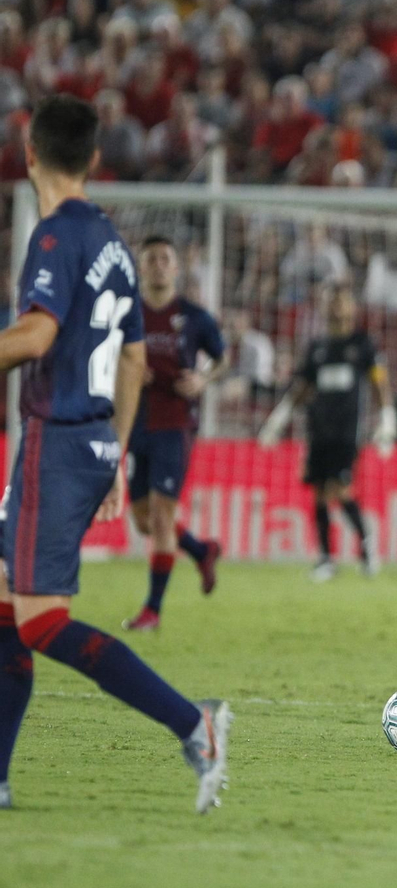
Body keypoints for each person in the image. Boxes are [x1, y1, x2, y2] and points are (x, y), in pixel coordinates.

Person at [0, 94, 229, 814]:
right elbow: (133, 361)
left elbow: (36, 336)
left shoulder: (55, 238)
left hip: (57, 437)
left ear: (29, 153)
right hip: (92, 437)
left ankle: (194, 724)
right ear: (95, 160)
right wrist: (116, 454)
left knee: (38, 620)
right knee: (6, 608)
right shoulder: (112, 243)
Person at [257, 285, 396, 581]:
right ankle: (325, 559)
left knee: (339, 490)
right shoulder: (317, 348)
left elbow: (378, 382)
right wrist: (278, 420)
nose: (335, 307)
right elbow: (301, 388)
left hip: (347, 432)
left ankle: (367, 546)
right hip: (318, 430)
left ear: (352, 307)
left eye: (342, 301)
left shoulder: (362, 344)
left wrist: (387, 419)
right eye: (331, 302)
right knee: (319, 495)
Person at [123, 236, 226, 632]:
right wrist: (127, 369)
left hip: (175, 423)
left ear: (177, 268)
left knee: (163, 518)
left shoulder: (195, 317)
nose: (159, 265)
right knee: (145, 521)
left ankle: (152, 610)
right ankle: (202, 550)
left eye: (166, 258)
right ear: (141, 267)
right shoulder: (126, 313)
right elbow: (108, 353)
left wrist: (202, 379)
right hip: (134, 422)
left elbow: (222, 358)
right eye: (152, 259)